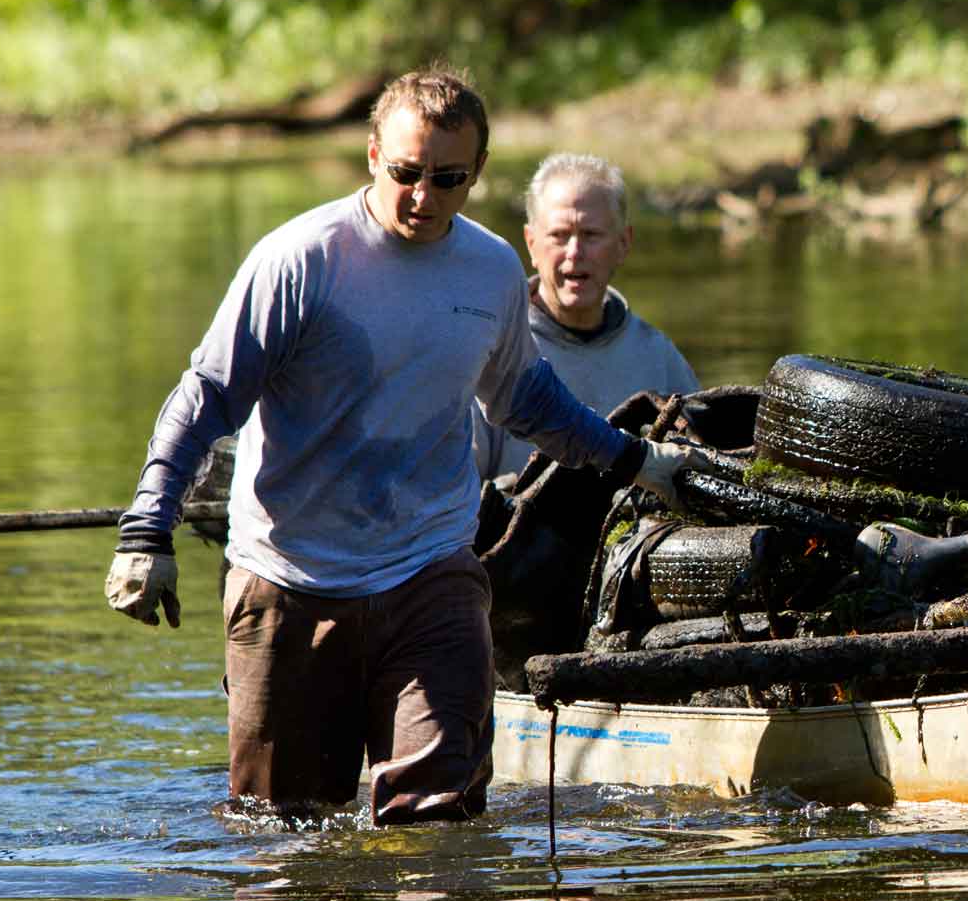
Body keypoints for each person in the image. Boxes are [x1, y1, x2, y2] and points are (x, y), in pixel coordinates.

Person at [103, 64, 694, 826]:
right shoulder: (302, 261)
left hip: (430, 569)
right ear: (373, 154)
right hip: (292, 575)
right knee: (287, 829)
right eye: (408, 173)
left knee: (439, 815)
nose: (423, 197)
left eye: (448, 178)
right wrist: (146, 532)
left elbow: (525, 397)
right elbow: (205, 397)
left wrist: (638, 461)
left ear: (479, 171)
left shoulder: (488, 272)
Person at [472, 152, 699, 484]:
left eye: (591, 235)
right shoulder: (493, 351)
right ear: (531, 243)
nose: (575, 252)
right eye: (560, 235)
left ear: (624, 243)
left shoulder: (659, 358)